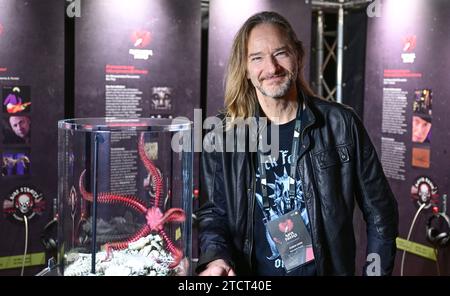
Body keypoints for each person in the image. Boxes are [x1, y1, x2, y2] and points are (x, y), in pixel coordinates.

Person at [196, 11, 398, 276]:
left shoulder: (340, 124)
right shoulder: (223, 135)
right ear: (244, 69)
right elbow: (213, 216)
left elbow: (381, 212)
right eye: (257, 58)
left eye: (280, 53)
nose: (271, 68)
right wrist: (215, 259)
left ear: (298, 56)